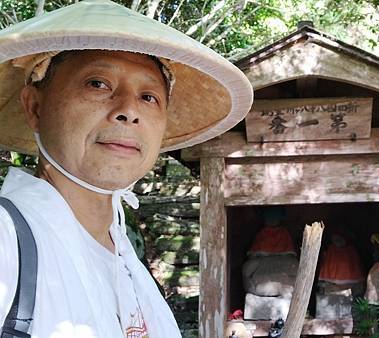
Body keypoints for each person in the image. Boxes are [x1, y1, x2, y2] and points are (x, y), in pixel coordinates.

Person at [0, 1, 253, 337]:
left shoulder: (124, 255)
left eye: (149, 97)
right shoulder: (6, 241)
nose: (128, 111)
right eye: (98, 84)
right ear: (35, 107)